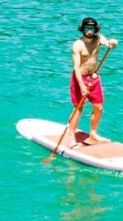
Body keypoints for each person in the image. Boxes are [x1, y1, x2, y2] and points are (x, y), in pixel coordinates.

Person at [46, 17, 117, 160]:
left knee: (98, 107)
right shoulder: (77, 45)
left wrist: (112, 43)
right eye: (87, 29)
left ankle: (93, 134)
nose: (89, 31)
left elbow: (108, 43)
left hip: (94, 77)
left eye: (92, 29)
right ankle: (71, 138)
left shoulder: (98, 39)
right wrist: (82, 86)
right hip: (80, 78)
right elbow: (76, 68)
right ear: (82, 29)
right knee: (78, 108)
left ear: (95, 29)